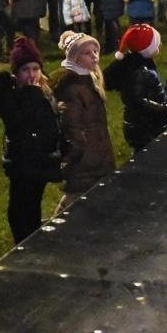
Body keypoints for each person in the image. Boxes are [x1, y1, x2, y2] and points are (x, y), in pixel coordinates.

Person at [0, 37, 63, 242]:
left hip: (41, 158)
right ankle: (22, 239)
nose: (31, 75)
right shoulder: (16, 97)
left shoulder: (43, 92)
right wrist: (31, 94)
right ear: (16, 72)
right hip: (22, 160)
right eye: (25, 70)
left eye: (35, 69)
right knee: (21, 202)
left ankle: (32, 234)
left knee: (34, 200)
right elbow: (17, 121)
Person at [51, 31, 115, 211]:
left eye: (96, 51)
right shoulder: (73, 88)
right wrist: (75, 153)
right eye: (88, 53)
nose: (95, 56)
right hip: (84, 159)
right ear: (75, 57)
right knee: (74, 199)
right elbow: (72, 125)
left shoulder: (89, 81)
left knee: (89, 199)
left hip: (95, 155)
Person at [105, 23, 167, 152]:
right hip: (144, 126)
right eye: (156, 43)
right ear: (146, 48)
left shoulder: (135, 64)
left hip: (139, 124)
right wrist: (163, 109)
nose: (160, 45)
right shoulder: (142, 72)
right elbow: (138, 101)